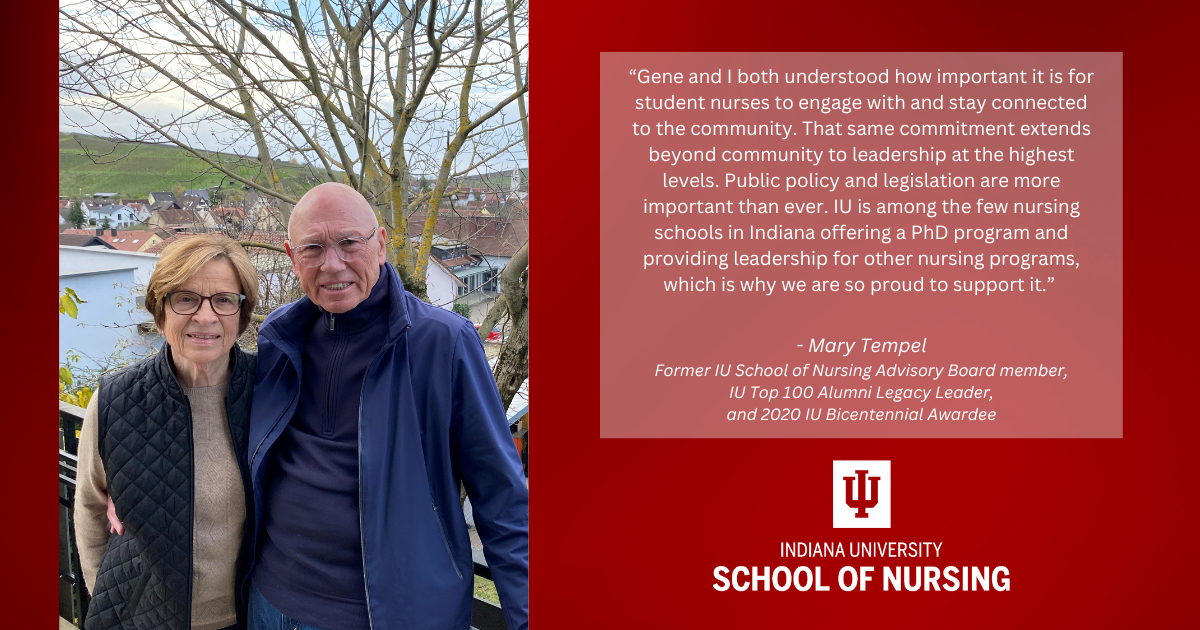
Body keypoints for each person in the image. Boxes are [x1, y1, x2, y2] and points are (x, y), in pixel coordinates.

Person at [246, 183, 528, 630]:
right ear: (291, 256)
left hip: (387, 615)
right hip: (269, 603)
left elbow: (502, 498)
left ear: (380, 244)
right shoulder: (280, 336)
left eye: (348, 243)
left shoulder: (444, 343)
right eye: (312, 248)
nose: (332, 264)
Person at [75, 235, 260, 630]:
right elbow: (90, 507)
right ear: (160, 313)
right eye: (186, 299)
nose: (206, 316)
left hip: (251, 617)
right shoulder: (115, 401)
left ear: (242, 316)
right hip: (143, 620)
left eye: (224, 300)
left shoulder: (272, 389)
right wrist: (106, 598)